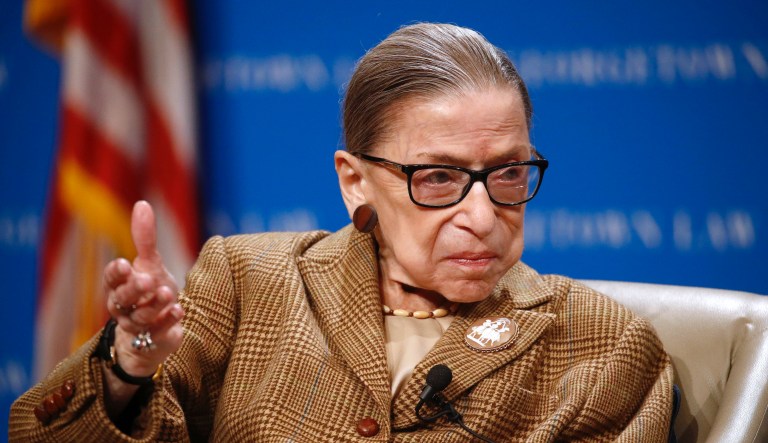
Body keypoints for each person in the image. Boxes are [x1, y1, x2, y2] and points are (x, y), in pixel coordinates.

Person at [10, 23, 674, 442]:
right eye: (438, 177)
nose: (481, 213)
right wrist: (129, 365)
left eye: (507, 173)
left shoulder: (602, 345)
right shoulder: (248, 283)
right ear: (355, 180)